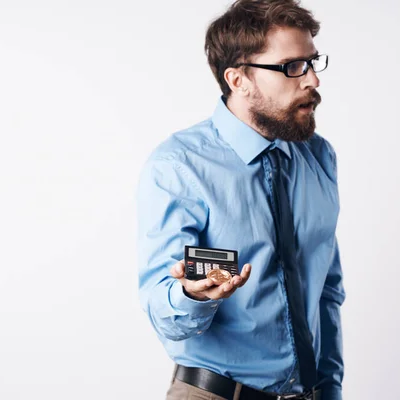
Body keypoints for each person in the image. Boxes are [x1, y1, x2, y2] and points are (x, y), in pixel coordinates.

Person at [136, 1, 346, 399]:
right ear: (238, 80)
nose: (312, 81)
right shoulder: (179, 167)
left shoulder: (318, 156)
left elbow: (327, 291)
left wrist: (331, 388)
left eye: (313, 62)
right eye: (292, 67)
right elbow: (161, 308)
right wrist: (191, 295)